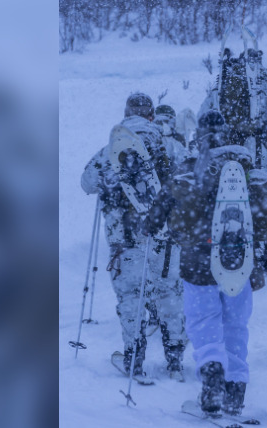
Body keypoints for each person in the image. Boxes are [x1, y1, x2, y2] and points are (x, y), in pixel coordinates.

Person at [144, 108, 267, 416]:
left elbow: (157, 213)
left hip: (198, 264)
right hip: (240, 263)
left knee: (204, 325)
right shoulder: (247, 169)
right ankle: (235, 392)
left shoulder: (189, 169)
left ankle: (212, 385)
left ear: (199, 136)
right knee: (235, 327)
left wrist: (151, 225)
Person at [80, 92, 188, 382]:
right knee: (168, 293)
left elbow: (87, 182)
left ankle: (135, 359)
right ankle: (175, 358)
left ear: (126, 114)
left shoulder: (111, 149)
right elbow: (190, 177)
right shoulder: (169, 146)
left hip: (125, 240)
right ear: (152, 115)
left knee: (131, 297)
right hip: (165, 237)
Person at [199, 46, 267, 171]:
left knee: (224, 181)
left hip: (223, 148)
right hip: (254, 149)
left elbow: (201, 118)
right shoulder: (262, 85)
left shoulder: (222, 84)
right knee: (256, 183)